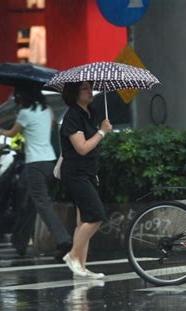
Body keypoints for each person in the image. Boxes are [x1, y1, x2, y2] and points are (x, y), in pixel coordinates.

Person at [0, 83, 72, 260]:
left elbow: (13, 133)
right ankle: (19, 242)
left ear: (22, 97)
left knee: (42, 204)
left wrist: (1, 131)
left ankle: (64, 240)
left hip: (35, 163)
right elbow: (52, 127)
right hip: (50, 162)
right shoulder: (47, 110)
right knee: (30, 202)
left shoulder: (24, 113)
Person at [59, 81, 112, 279]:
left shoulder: (90, 113)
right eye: (84, 88)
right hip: (75, 174)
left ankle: (80, 267)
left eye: (90, 87)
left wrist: (100, 129)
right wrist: (102, 132)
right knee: (95, 216)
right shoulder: (72, 116)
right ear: (74, 93)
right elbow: (82, 148)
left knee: (83, 221)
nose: (90, 91)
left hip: (88, 173)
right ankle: (72, 256)